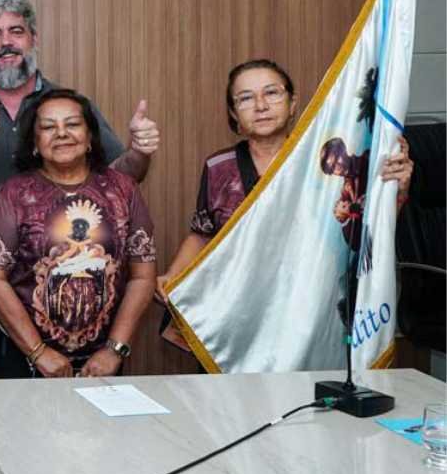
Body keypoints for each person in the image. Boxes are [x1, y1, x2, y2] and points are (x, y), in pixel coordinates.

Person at [0, 0, 160, 379]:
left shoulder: (65, 103)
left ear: (33, 38)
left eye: (16, 31)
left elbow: (119, 176)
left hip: (56, 282)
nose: (6, 42)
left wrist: (139, 150)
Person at [160, 59, 413, 300]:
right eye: (246, 98)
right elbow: (203, 235)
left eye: (272, 93)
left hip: (317, 302)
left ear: (293, 104)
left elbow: (367, 230)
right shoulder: (219, 167)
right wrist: (173, 275)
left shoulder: (327, 161)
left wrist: (398, 190)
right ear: (234, 113)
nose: (261, 106)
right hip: (245, 304)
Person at [0, 88, 157, 378]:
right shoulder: (14, 193)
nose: (61, 133)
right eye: (48, 127)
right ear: (35, 143)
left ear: (89, 138)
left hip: (104, 360)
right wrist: (38, 352)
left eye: (72, 124)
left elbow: (143, 275)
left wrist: (114, 350)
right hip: (27, 360)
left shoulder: (123, 189)